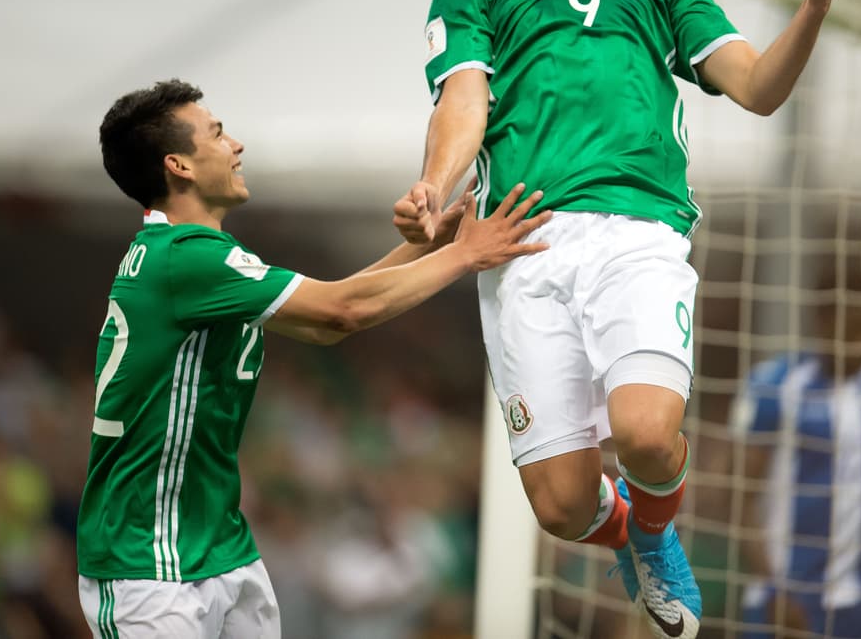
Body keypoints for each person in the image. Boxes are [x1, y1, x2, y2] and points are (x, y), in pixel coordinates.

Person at [390, 0, 856, 636]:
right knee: (562, 509)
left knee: (646, 436)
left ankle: (654, 530)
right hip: (522, 243)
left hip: (637, 232)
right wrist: (432, 185)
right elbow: (464, 101)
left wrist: (815, 5)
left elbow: (755, 87)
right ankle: (625, 534)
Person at [76, 79, 551, 638]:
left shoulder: (197, 258)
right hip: (146, 565)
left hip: (219, 548)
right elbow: (342, 311)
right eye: (219, 134)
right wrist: (465, 257)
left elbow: (327, 318)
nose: (237, 145)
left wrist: (432, 246)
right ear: (178, 165)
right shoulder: (185, 260)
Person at [729, 265, 861, 639]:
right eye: (853, 330)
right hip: (784, 604)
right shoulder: (775, 384)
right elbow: (739, 500)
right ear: (822, 320)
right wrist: (774, 587)